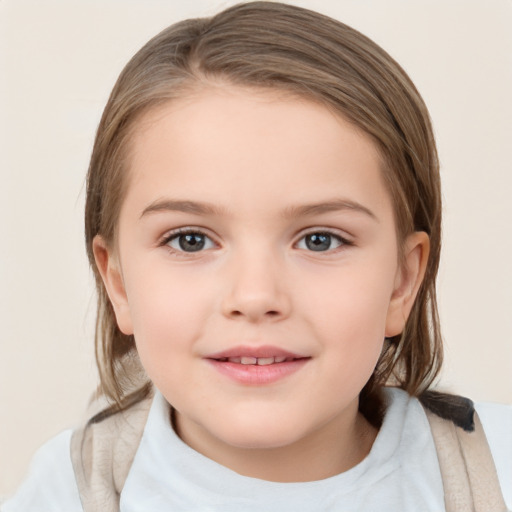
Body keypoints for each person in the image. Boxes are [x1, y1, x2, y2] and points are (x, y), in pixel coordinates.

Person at [3, 2, 511, 511]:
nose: (255, 296)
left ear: (402, 281)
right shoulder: (64, 493)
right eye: (190, 240)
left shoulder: (497, 468)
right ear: (118, 283)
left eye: (320, 240)